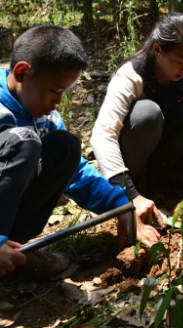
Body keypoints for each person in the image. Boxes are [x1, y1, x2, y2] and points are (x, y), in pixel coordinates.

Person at [0, 26, 161, 284]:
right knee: (24, 142)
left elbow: (76, 172)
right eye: (54, 90)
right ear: (22, 72)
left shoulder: (47, 116)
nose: (58, 102)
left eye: (65, 92)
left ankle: (14, 251)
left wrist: (120, 205)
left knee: (67, 147)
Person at [92, 15, 183, 214]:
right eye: (180, 61)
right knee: (147, 114)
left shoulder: (179, 71)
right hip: (131, 151)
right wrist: (129, 194)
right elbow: (102, 135)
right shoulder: (130, 76)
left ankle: (161, 170)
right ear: (157, 50)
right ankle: (137, 183)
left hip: (158, 146)